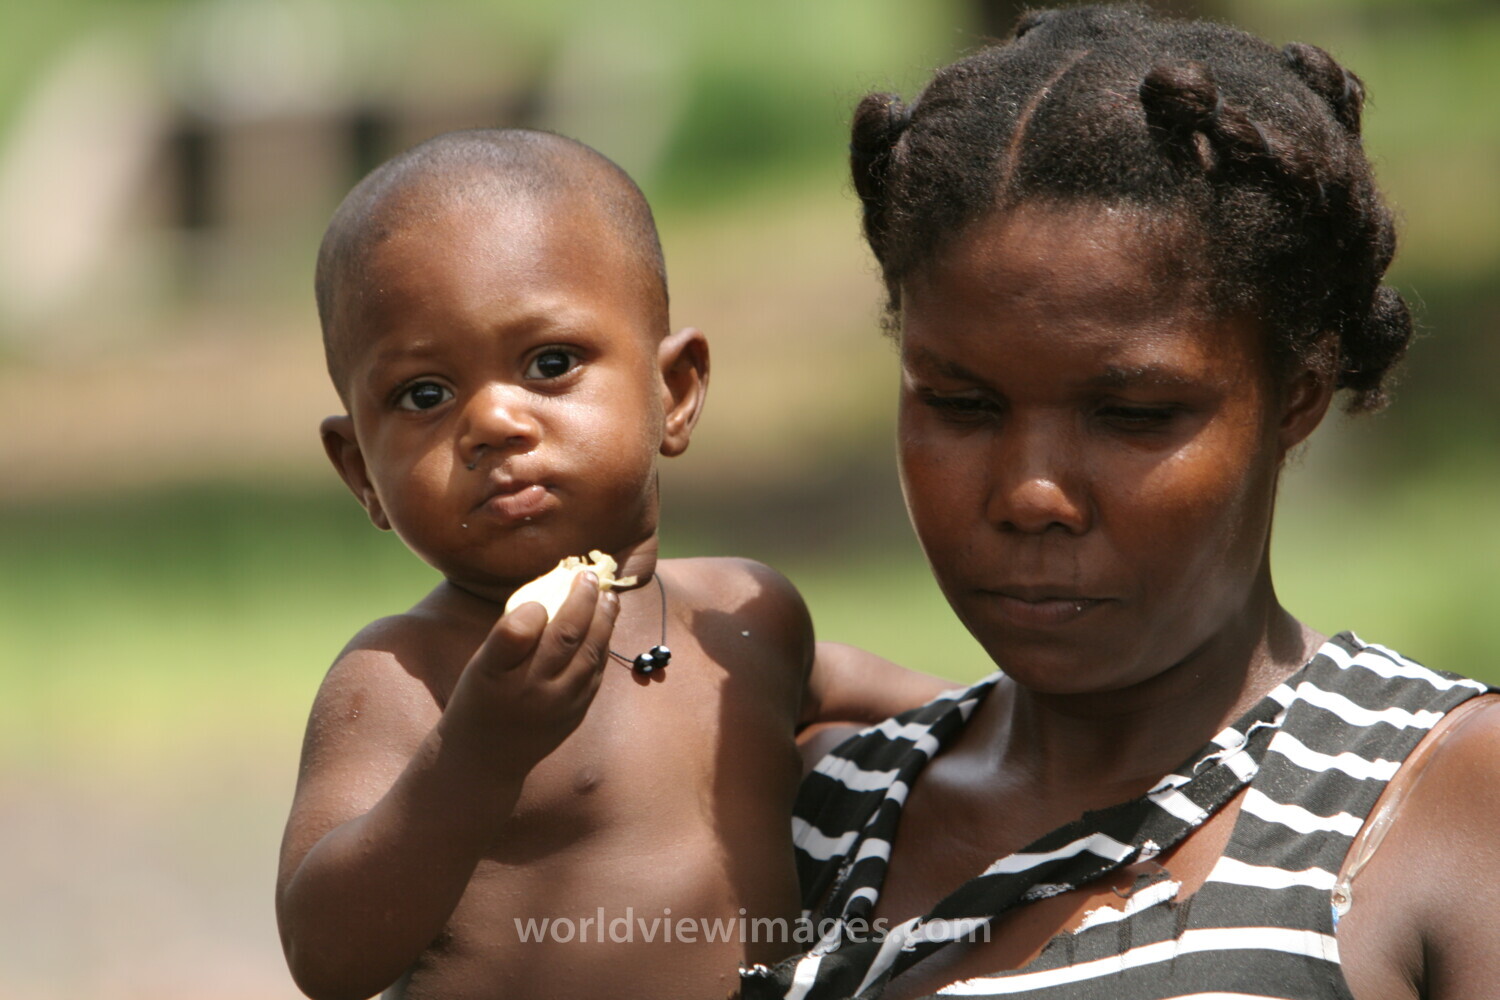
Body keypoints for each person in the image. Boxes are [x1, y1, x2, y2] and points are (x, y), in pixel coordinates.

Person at [741, 7, 1500, 999]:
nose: (1030, 493)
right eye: (961, 405)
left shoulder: (1438, 798)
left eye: (1134, 415)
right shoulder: (815, 809)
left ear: (1298, 396)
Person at [275, 128, 950, 1000]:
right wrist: (474, 757)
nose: (493, 423)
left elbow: (969, 719)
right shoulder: (407, 677)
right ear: (361, 471)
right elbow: (326, 957)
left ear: (675, 393)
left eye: (549, 364)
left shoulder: (747, 613)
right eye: (424, 396)